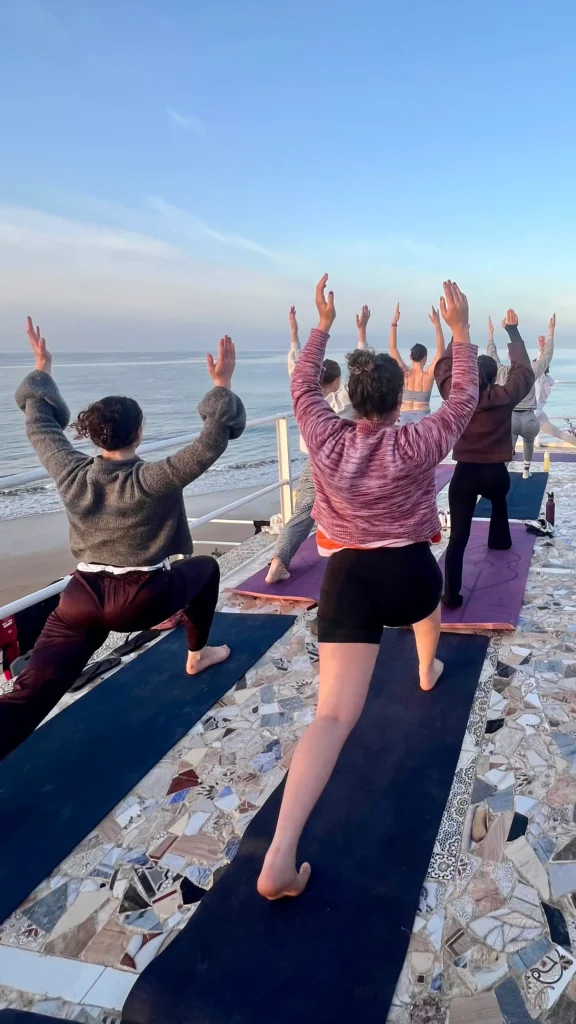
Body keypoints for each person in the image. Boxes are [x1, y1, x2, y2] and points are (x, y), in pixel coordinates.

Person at [257, 277, 479, 900]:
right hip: (409, 573)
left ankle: (278, 854)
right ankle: (427, 664)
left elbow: (302, 385)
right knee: (427, 603)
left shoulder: (324, 437)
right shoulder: (419, 438)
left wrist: (322, 323)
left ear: (352, 399)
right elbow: (462, 398)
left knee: (331, 717)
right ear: (393, 399)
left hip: (348, 581)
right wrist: (460, 331)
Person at [0, 319, 246, 760]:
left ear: (94, 436)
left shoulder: (71, 473)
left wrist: (42, 369)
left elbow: (40, 427)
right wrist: (222, 384)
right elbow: (210, 442)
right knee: (205, 569)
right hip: (142, 599)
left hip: (80, 599)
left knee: (29, 696)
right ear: (138, 433)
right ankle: (198, 653)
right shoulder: (154, 478)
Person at [436, 311, 534, 609]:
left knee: (458, 539)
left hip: (465, 475)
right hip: (495, 474)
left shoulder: (458, 398)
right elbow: (524, 372)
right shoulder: (504, 397)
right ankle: (500, 539)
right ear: (494, 377)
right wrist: (513, 332)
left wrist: (458, 330)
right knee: (500, 500)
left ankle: (451, 594)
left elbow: (443, 370)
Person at [265, 304, 368, 584]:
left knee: (303, 513)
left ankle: (278, 562)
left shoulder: (309, 401)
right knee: (352, 512)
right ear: (336, 380)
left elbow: (296, 368)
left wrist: (296, 332)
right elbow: (362, 371)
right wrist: (362, 332)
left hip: (315, 462)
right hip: (344, 463)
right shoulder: (346, 398)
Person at [487, 314, 556, 478]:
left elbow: (492, 355)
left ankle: (502, 472)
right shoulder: (530, 371)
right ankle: (526, 471)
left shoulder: (503, 372)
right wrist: (551, 333)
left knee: (507, 447)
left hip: (511, 418)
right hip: (529, 418)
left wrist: (491, 335)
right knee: (529, 442)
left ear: (510, 357)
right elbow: (546, 358)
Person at [388, 302, 446, 423]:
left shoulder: (404, 373)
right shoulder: (428, 376)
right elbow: (440, 351)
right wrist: (437, 324)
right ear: (425, 357)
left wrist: (394, 322)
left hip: (403, 418)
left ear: (410, 356)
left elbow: (393, 348)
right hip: (422, 420)